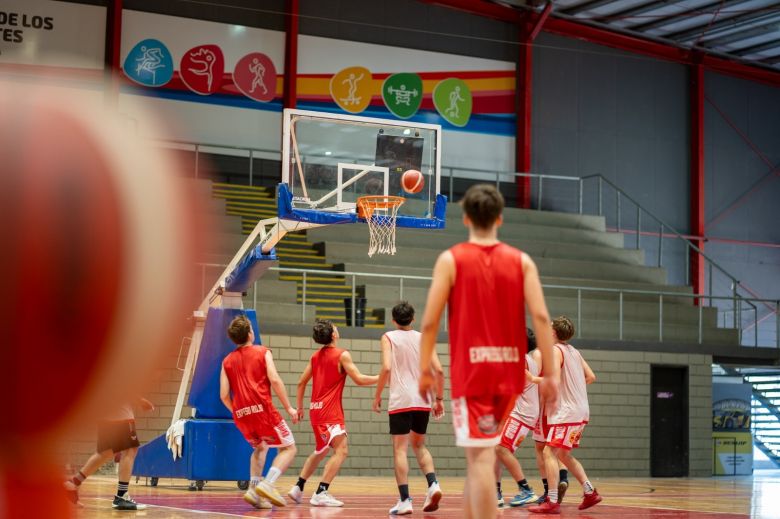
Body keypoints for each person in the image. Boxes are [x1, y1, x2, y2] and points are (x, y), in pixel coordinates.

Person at [418, 183, 559, 519]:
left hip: (474, 373)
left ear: (465, 218)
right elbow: (541, 317)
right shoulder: (522, 261)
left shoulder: (450, 260)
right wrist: (551, 372)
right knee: (482, 458)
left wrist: (425, 367)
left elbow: (429, 322)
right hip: (509, 374)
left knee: (479, 459)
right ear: (500, 218)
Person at [288, 319, 378, 507]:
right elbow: (360, 379)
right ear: (333, 334)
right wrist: (383, 377)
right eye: (335, 328)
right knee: (342, 450)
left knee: (321, 450)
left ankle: (298, 487)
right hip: (330, 414)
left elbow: (300, 383)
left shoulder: (315, 357)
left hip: (315, 412)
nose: (337, 329)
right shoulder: (342, 355)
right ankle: (321, 492)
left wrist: (300, 407)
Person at [373, 302, 445, 515]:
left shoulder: (388, 337)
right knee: (420, 446)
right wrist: (439, 399)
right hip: (423, 399)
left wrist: (377, 395)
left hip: (400, 400)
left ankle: (405, 500)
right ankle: (433, 484)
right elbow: (439, 371)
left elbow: (386, 367)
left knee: (400, 450)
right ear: (413, 319)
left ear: (393, 320)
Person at [220, 315, 298, 509]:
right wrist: (289, 407)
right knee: (289, 448)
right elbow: (275, 379)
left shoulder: (227, 361)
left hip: (242, 415)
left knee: (260, 447)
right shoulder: (263, 351)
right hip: (263, 410)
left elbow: (223, 395)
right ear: (250, 333)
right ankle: (268, 484)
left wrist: (237, 411)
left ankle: (254, 491)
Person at [529, 316, 601, 514]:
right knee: (563, 454)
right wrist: (573, 389)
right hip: (580, 410)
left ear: (553, 333)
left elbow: (553, 380)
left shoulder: (555, 350)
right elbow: (591, 376)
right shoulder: (575, 351)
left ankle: (552, 501)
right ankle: (589, 492)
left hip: (567, 411)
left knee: (548, 452)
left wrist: (531, 378)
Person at [64, 399, 155, 510]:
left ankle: (73, 483)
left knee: (105, 453)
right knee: (130, 449)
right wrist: (141, 401)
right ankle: (122, 496)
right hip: (120, 413)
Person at [496, 328, 541, 508]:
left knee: (501, 449)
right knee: (496, 451)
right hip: (523, 411)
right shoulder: (527, 360)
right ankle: (496, 493)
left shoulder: (519, 361)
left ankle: (526, 490)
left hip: (522, 413)